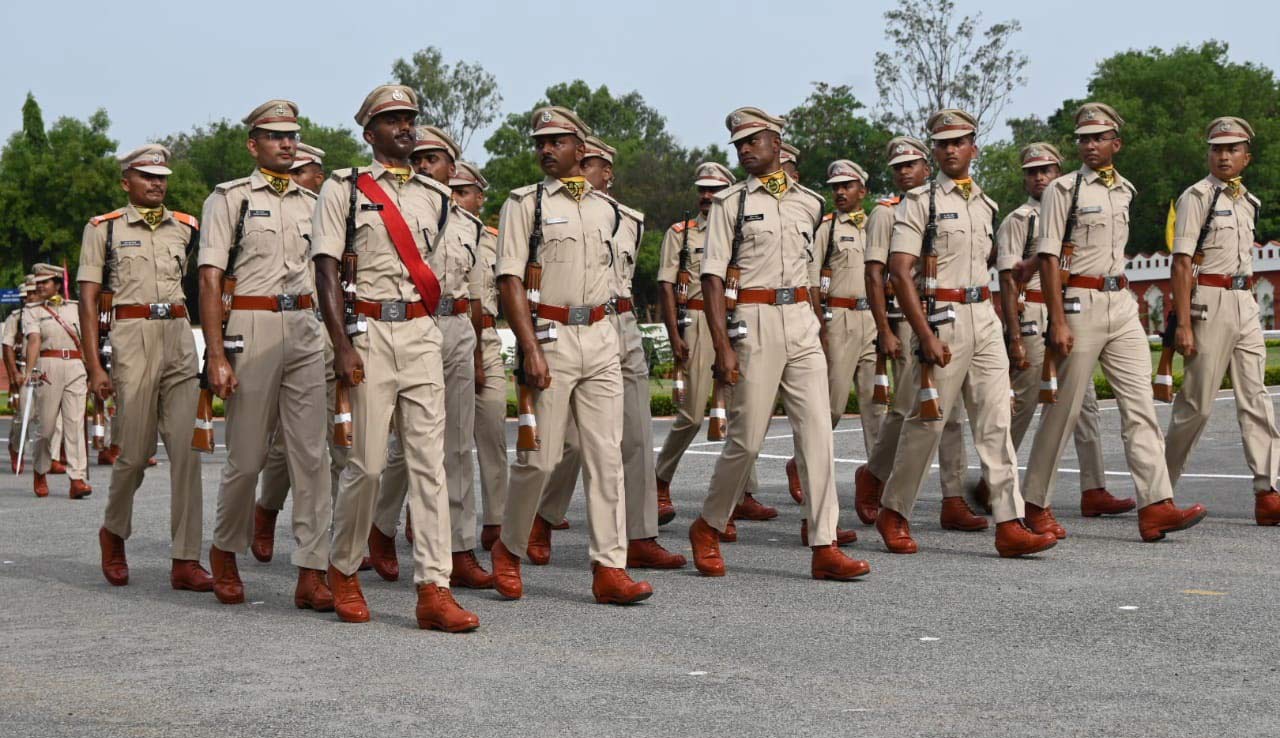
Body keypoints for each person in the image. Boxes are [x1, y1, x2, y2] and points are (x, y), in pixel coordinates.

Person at [312, 84, 478, 631]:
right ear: (369, 133)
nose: (405, 127)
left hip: (421, 332)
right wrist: (341, 345)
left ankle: (434, 587)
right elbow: (326, 270)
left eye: (410, 118)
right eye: (392, 120)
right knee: (366, 465)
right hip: (368, 334)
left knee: (429, 464)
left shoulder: (437, 196)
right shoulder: (344, 189)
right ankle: (343, 567)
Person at [687, 106, 870, 580]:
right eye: (739, 145)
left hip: (801, 319)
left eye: (753, 141)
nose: (745, 150)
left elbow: (811, 274)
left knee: (817, 435)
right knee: (747, 441)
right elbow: (711, 279)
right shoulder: (730, 204)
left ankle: (824, 543)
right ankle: (708, 524)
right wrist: (723, 346)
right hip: (754, 320)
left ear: (776, 142)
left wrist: (818, 329)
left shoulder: (810, 203)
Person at [874, 109, 1057, 558]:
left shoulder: (984, 204)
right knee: (928, 423)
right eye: (942, 144)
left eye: (958, 142)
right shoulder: (920, 202)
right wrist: (924, 335)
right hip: (942, 319)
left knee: (996, 422)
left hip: (983, 316)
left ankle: (1009, 522)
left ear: (974, 147)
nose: (950, 150)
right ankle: (893, 511)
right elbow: (899, 272)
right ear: (934, 151)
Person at [489, 105, 654, 604]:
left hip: (601, 336)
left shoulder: (610, 211)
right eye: (540, 142)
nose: (545, 149)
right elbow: (509, 280)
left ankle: (610, 568)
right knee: (539, 460)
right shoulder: (525, 204)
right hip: (551, 338)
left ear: (580, 150)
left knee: (606, 457)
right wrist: (529, 348)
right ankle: (509, 546)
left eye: (556, 141)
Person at [1023, 102, 1208, 542]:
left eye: (1098, 138)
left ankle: (1156, 505)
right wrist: (1056, 320)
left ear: (1116, 144)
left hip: (1121, 302)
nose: (1090, 145)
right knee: (1064, 410)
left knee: (1140, 405)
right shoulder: (1062, 190)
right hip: (1079, 303)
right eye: (1083, 139)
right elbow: (1047, 259)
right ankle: (1034, 503)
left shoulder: (1125, 190)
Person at [198, 100, 333, 610]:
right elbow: (210, 278)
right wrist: (216, 354)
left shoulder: (314, 202)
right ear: (253, 145)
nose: (286, 143)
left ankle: (312, 570)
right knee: (248, 456)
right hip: (251, 326)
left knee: (312, 456)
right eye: (276, 136)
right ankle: (225, 550)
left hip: (306, 326)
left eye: (292, 135)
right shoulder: (229, 199)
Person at [531, 135, 687, 570]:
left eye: (591, 166)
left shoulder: (630, 220)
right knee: (571, 442)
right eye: (579, 164)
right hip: (573, 328)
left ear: (607, 173)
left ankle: (640, 535)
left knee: (636, 436)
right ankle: (542, 517)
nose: (582, 172)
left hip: (622, 324)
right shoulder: (547, 211)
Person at [77, 145, 211, 590]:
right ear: (126, 182)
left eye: (162, 177)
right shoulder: (104, 229)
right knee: (133, 455)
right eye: (147, 176)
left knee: (187, 454)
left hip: (178, 335)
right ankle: (114, 532)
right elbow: (89, 299)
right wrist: (94, 366)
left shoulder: (187, 227)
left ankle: (186, 559)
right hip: (132, 337)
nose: (157, 183)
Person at [371, 124, 495, 589]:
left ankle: (458, 549)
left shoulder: (469, 225)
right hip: (407, 326)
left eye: (433, 159)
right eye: (418, 158)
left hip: (456, 328)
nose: (423, 165)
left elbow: (475, 296)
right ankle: (381, 527)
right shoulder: (396, 209)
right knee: (404, 448)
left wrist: (478, 355)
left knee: (457, 445)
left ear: (452, 167)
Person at [995, 142, 1131, 519]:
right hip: (1034, 312)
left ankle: (1094, 487)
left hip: (1069, 311)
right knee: (1024, 404)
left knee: (1084, 404)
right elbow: (1008, 279)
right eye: (1032, 172)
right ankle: (997, 481)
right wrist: (1014, 337)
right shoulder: (1020, 220)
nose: (1040, 178)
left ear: (1059, 173)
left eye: (1047, 170)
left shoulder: (1074, 209)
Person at [855, 136, 981, 531]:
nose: (905, 172)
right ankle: (874, 475)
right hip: (904, 319)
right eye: (898, 167)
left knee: (952, 412)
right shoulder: (886, 213)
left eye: (911, 165)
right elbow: (875, 274)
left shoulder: (943, 203)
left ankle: (953, 497)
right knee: (909, 406)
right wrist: (883, 329)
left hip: (943, 313)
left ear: (927, 168)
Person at [1162, 116, 1280, 526]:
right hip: (1208, 303)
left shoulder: (1248, 201)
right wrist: (1183, 324)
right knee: (1196, 405)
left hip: (1245, 300)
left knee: (1257, 399)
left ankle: (1267, 491)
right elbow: (1181, 263)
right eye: (1217, 149)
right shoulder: (1196, 197)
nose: (1224, 156)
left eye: (1232, 149)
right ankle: (1159, 489)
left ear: (1247, 157)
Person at [251, 142, 349, 563]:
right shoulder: (268, 211)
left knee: (340, 440)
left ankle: (336, 533)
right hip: (289, 331)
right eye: (297, 171)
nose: (292, 178)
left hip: (332, 337)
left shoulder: (331, 212)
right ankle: (267, 509)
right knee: (285, 445)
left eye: (305, 172)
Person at [789, 159, 883, 545]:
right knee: (830, 408)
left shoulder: (878, 224)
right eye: (835, 187)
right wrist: (819, 327)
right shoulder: (827, 227)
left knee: (877, 409)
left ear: (864, 190)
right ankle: (804, 472)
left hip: (873, 319)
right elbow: (812, 282)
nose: (840, 192)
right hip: (839, 320)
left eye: (847, 186)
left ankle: (873, 486)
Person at [449, 160, 508, 551]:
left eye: (463, 192)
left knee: (493, 433)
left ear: (479, 198)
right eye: (451, 191)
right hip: (446, 335)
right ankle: (416, 516)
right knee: (439, 441)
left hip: (485, 337)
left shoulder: (495, 240)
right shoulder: (436, 231)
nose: (455, 198)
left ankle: (497, 522)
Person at [22, 264, 90, 500]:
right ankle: (40, 469)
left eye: (46, 282)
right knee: (47, 427)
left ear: (58, 284)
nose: (40, 286)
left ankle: (77, 478)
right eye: (38, 282)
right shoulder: (32, 311)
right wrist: (29, 372)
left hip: (75, 365)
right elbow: (33, 341)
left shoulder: (75, 308)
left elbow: (85, 338)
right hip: (47, 367)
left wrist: (92, 369)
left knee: (74, 423)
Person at [4, 278, 37, 472]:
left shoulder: (47, 314)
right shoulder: (15, 318)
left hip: (46, 368)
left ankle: (51, 457)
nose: (29, 298)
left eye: (32, 294)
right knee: (23, 414)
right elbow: (7, 346)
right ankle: (16, 448)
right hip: (24, 369)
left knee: (50, 417)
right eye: (25, 296)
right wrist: (14, 373)